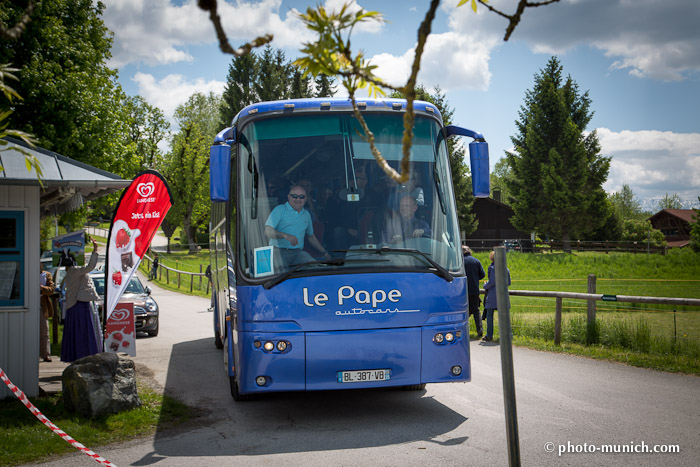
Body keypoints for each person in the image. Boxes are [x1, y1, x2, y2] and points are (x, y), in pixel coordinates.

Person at [265, 185, 331, 267]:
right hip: (278, 252)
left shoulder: (306, 214)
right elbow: (267, 231)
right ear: (289, 197)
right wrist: (284, 235)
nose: (298, 199)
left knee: (315, 269)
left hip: (298, 253)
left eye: (301, 197)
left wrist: (324, 252)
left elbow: (311, 237)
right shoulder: (279, 209)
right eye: (295, 196)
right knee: (281, 276)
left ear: (305, 199)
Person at [60, 238, 102, 362]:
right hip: (80, 306)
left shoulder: (70, 272)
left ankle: (77, 356)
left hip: (74, 306)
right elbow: (90, 267)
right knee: (83, 333)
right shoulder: (76, 271)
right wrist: (94, 250)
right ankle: (85, 356)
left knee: (76, 333)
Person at [482, 250, 511, 342]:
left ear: (492, 258)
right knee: (504, 316)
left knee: (490, 315)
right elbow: (509, 282)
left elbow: (492, 282)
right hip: (503, 294)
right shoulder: (505, 268)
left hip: (493, 295)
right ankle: (508, 335)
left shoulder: (492, 268)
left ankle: (489, 335)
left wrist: (485, 285)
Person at [462, 245, 485, 338]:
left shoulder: (460, 262)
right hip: (474, 290)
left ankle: (463, 330)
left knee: (463, 311)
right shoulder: (476, 261)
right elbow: (482, 274)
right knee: (476, 310)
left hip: (462, 290)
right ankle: (480, 329)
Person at [39, 263, 55, 362]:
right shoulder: (26, 272)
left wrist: (42, 288)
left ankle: (45, 354)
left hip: (42, 304)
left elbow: (51, 290)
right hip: (28, 304)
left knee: (44, 330)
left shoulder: (46, 275)